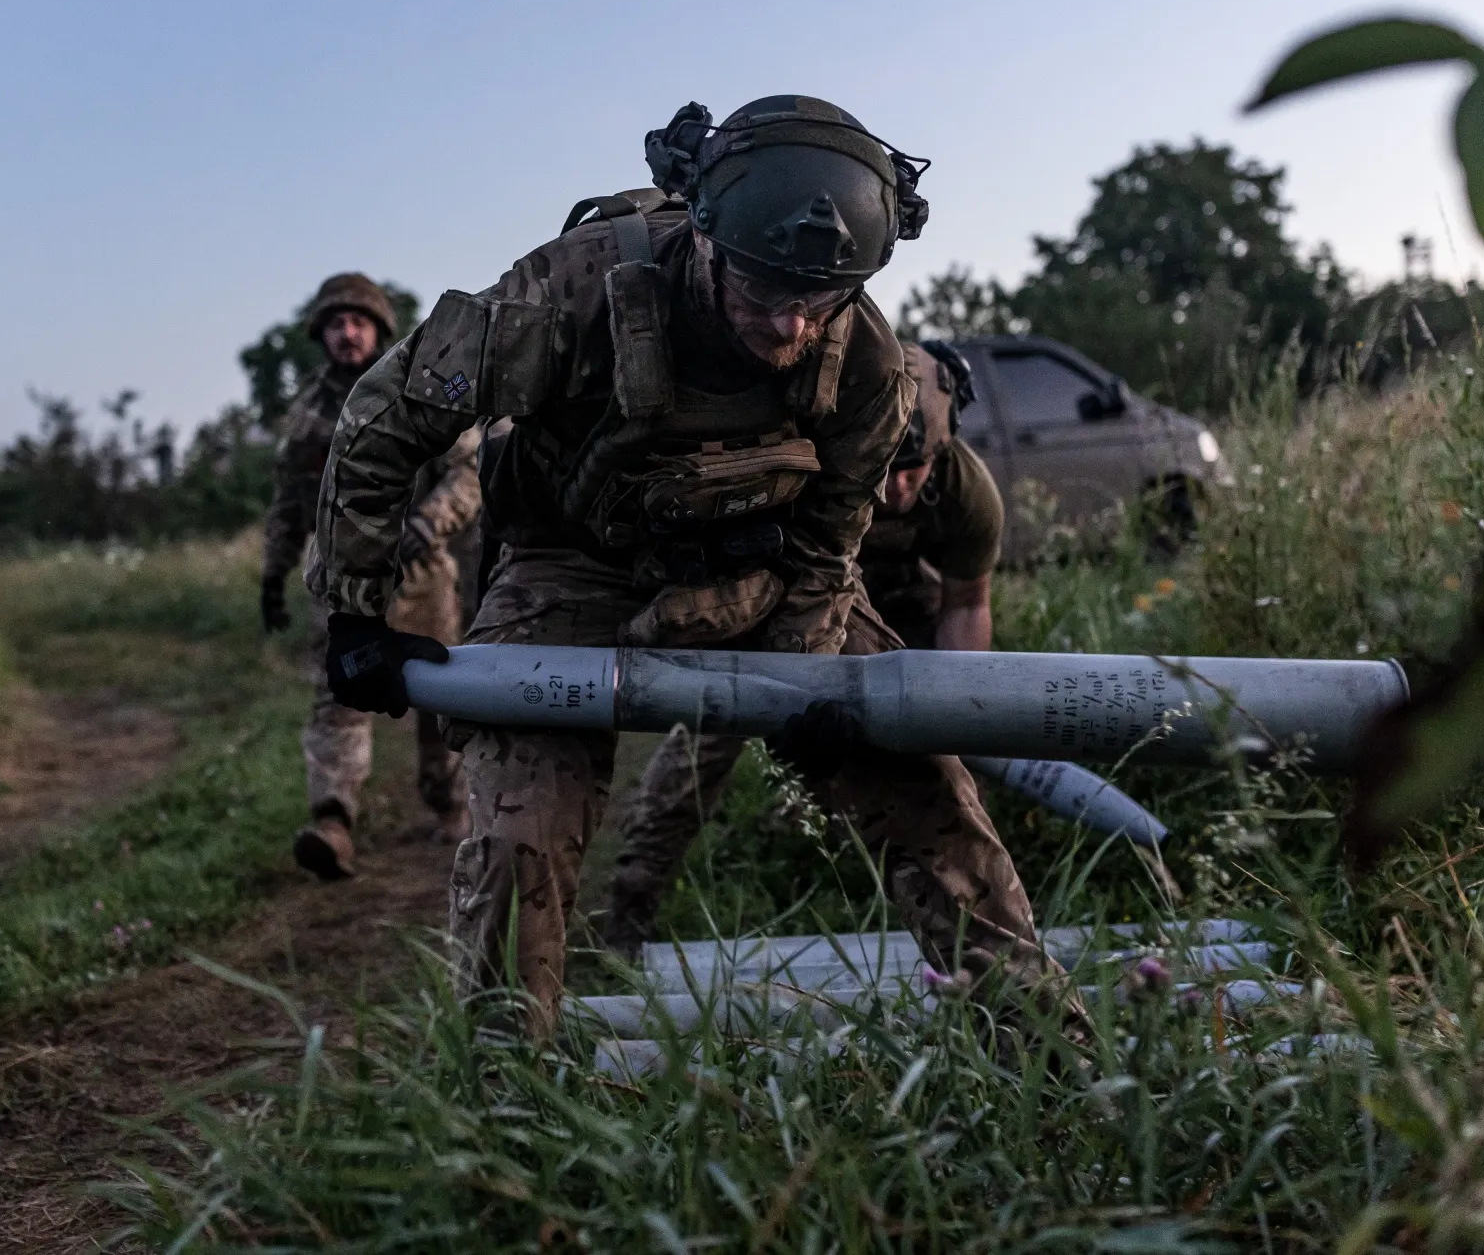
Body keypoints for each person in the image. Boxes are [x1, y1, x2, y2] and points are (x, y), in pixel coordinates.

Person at [308, 96, 1059, 1035]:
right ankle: (506, 1088)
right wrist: (357, 610)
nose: (788, 328)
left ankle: (1037, 1041)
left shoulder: (867, 361)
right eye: (761, 292)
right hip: (569, 565)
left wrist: (804, 682)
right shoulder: (574, 290)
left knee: (926, 791)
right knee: (516, 840)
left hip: (768, 568)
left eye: (816, 301)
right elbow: (385, 416)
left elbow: (831, 543)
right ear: (703, 235)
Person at [601, 340, 1014, 952]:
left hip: (901, 613)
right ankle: (628, 915)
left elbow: (966, 606)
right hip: (791, 615)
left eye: (914, 468)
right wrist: (800, 679)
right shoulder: (807, 467)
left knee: (938, 771)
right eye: (886, 465)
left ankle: (964, 907)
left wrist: (950, 707)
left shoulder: (965, 491)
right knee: (699, 753)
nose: (897, 486)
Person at [259, 272, 480, 880]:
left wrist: (432, 521)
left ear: (379, 329)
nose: (347, 333)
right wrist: (271, 575)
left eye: (358, 322)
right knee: (339, 696)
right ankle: (333, 821)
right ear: (320, 335)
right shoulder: (308, 415)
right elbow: (288, 500)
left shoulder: (420, 389)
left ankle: (453, 806)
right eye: (335, 323)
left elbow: (469, 470)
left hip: (419, 574)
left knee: (440, 694)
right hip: (337, 581)